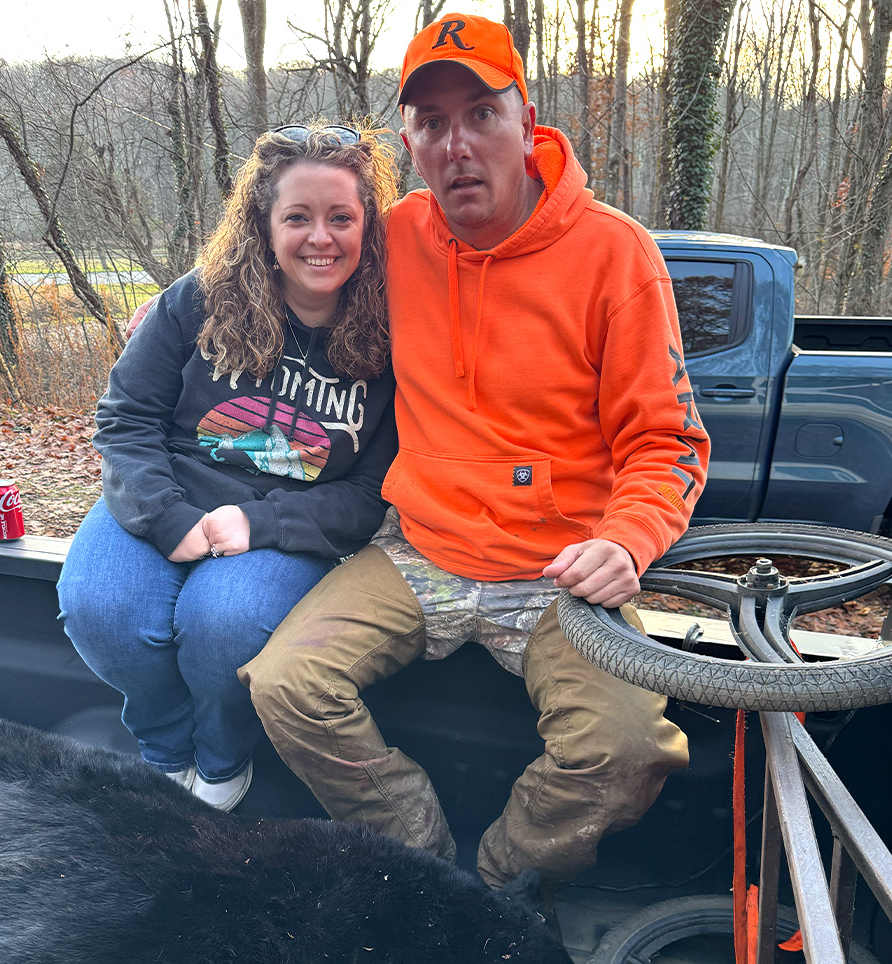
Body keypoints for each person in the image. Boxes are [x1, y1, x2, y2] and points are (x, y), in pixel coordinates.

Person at [240, 15, 711, 892]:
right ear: (411, 143)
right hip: (419, 548)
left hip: (558, 569)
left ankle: (497, 891)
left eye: (480, 115)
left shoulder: (616, 256)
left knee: (628, 747)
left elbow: (668, 441)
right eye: (431, 122)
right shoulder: (395, 239)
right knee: (285, 685)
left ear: (526, 123)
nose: (457, 144)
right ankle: (421, 872)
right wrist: (176, 323)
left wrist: (628, 541)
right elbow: (280, 269)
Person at [57, 125, 399, 810]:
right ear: (263, 226)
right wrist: (162, 515)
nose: (320, 238)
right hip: (169, 488)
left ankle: (219, 764)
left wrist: (259, 522)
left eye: (341, 218)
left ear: (369, 225)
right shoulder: (200, 299)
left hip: (287, 518)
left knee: (226, 625)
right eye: (297, 217)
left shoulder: (395, 332)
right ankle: (166, 751)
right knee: (100, 606)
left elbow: (371, 491)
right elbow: (126, 418)